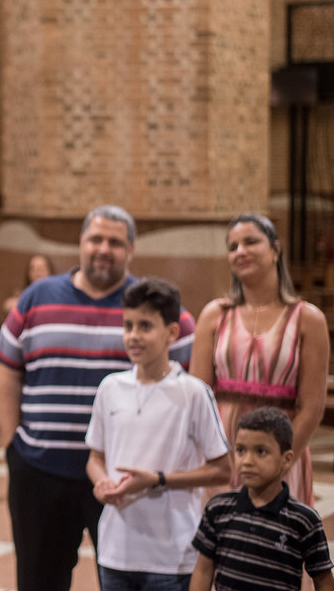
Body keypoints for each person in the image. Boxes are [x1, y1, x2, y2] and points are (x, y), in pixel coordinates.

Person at [0, 205, 196, 591]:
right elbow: (7, 371)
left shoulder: (149, 308)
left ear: (131, 250)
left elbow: (186, 361)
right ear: (80, 243)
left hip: (122, 479)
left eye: (116, 242)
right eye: (96, 239)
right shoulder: (38, 297)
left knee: (125, 582)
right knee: (38, 582)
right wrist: (11, 447)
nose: (104, 249)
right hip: (39, 472)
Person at [85, 277, 230, 591]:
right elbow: (95, 458)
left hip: (172, 555)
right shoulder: (110, 387)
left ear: (172, 332)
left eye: (145, 326)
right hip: (115, 552)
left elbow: (222, 470)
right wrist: (102, 482)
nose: (133, 336)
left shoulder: (193, 392)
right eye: (128, 326)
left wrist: (159, 479)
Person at [189, 213, 329, 506]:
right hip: (224, 449)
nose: (241, 251)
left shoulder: (307, 319)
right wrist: (214, 458)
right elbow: (197, 395)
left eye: (251, 242)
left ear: (276, 250)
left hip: (280, 447)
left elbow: (313, 407)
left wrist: (280, 461)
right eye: (233, 246)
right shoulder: (215, 314)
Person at [190, 407, 334, 591]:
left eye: (261, 452)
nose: (247, 461)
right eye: (241, 450)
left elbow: (323, 579)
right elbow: (203, 570)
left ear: (286, 459)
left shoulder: (304, 520)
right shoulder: (218, 509)